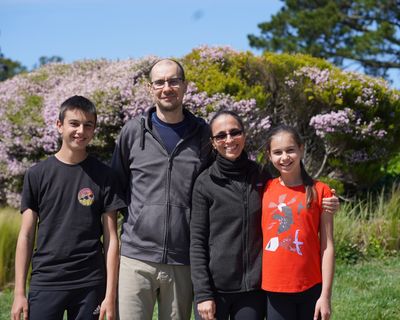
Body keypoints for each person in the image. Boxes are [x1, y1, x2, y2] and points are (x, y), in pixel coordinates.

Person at [190, 111, 338, 320]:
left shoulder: (261, 177)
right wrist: (203, 293)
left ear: (244, 135)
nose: (229, 139)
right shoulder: (205, 183)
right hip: (216, 290)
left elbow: (294, 190)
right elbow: (196, 242)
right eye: (221, 136)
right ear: (213, 142)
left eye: (235, 132)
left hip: (254, 291)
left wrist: (328, 200)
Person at [111, 59, 212, 320]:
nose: (167, 87)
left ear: (184, 86)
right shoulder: (132, 132)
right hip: (136, 259)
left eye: (173, 81)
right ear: (150, 88)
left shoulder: (203, 135)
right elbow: (116, 188)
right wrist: (140, 222)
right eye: (160, 82)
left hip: (183, 260)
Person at [11, 95, 125, 320]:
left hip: (90, 284)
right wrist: (19, 292)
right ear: (59, 125)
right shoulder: (37, 175)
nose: (80, 131)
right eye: (74, 123)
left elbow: (111, 238)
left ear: (94, 130)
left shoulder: (105, 176)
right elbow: (26, 235)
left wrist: (110, 295)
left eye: (88, 125)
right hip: (46, 281)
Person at [261, 125, 335, 320]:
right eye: (277, 152)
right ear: (269, 155)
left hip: (311, 286)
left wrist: (325, 296)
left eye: (290, 150)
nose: (285, 157)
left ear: (301, 149)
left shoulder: (321, 191)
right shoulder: (264, 188)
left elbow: (327, 246)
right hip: (274, 288)